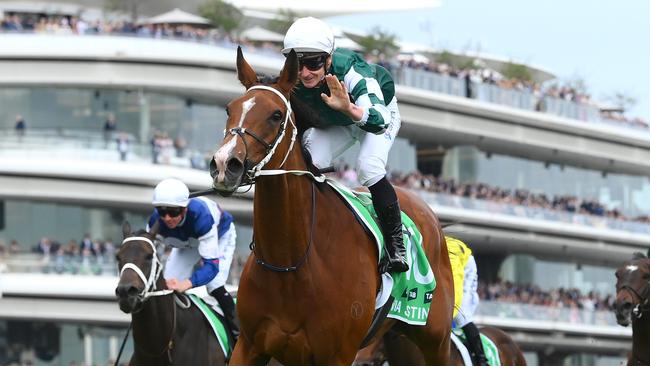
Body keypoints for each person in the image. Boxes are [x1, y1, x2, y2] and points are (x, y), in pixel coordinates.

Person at [281, 17, 408, 273]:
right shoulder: (292, 78)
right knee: (310, 158)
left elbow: (380, 121)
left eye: (313, 63)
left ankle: (397, 245)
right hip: (340, 121)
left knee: (368, 167)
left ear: (328, 59)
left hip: (377, 115)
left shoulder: (351, 70)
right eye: (297, 63)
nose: (304, 72)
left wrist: (349, 107)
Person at [147, 178, 239, 341]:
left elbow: (211, 267)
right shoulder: (155, 221)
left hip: (219, 237)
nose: (167, 218)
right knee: (168, 285)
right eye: (162, 211)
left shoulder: (201, 217)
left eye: (173, 212)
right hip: (188, 244)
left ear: (184, 210)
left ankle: (238, 335)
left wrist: (186, 284)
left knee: (214, 284)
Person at [446, 236, 488, 366]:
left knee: (460, 314)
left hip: (464, 265)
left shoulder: (450, 254)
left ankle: (482, 359)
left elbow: (455, 291)